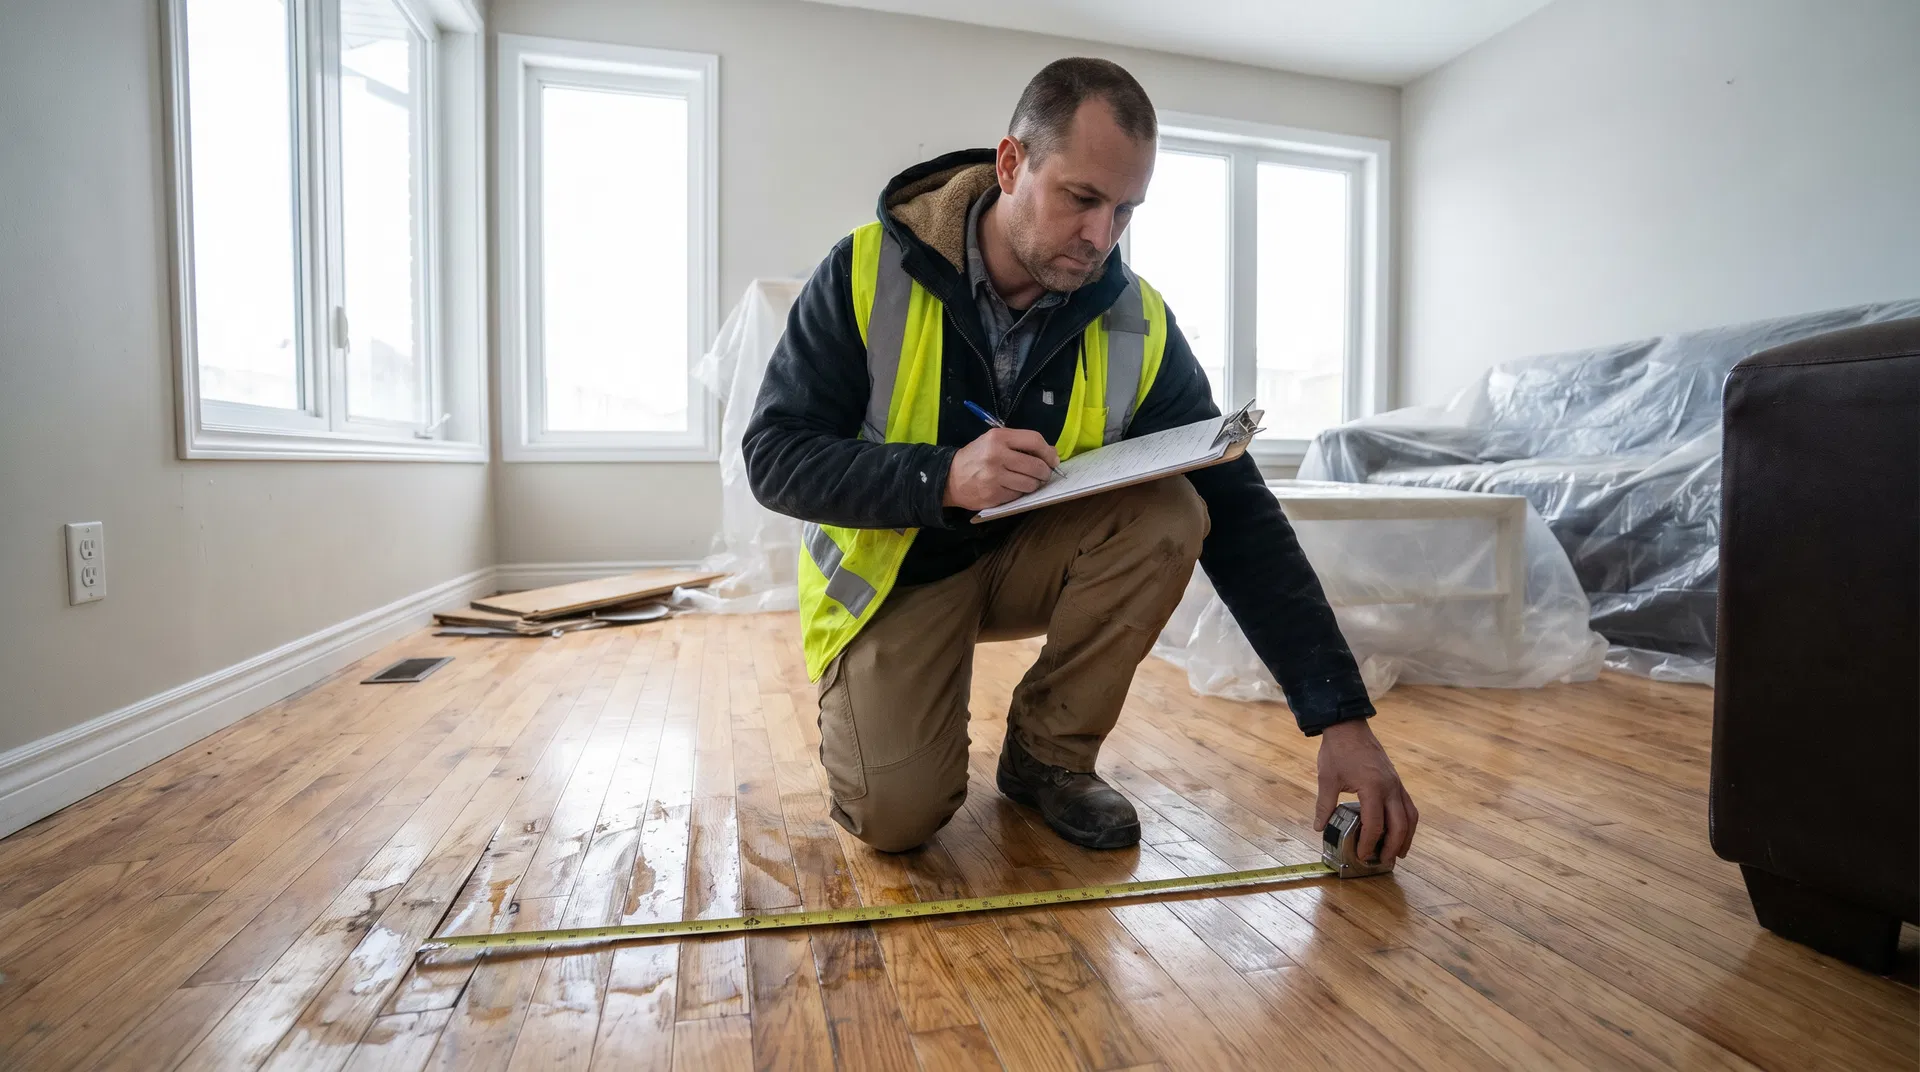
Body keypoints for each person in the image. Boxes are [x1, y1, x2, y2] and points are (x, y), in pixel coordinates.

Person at [743, 57, 1418, 863]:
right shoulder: (866, 271)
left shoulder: (1136, 320)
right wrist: (942, 477)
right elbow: (774, 455)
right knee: (896, 819)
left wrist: (1341, 717)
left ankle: (1049, 758)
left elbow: (1238, 508)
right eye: (1082, 198)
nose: (1102, 236)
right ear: (1010, 164)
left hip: (1029, 561)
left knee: (1174, 510)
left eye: (1126, 210)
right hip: (898, 577)